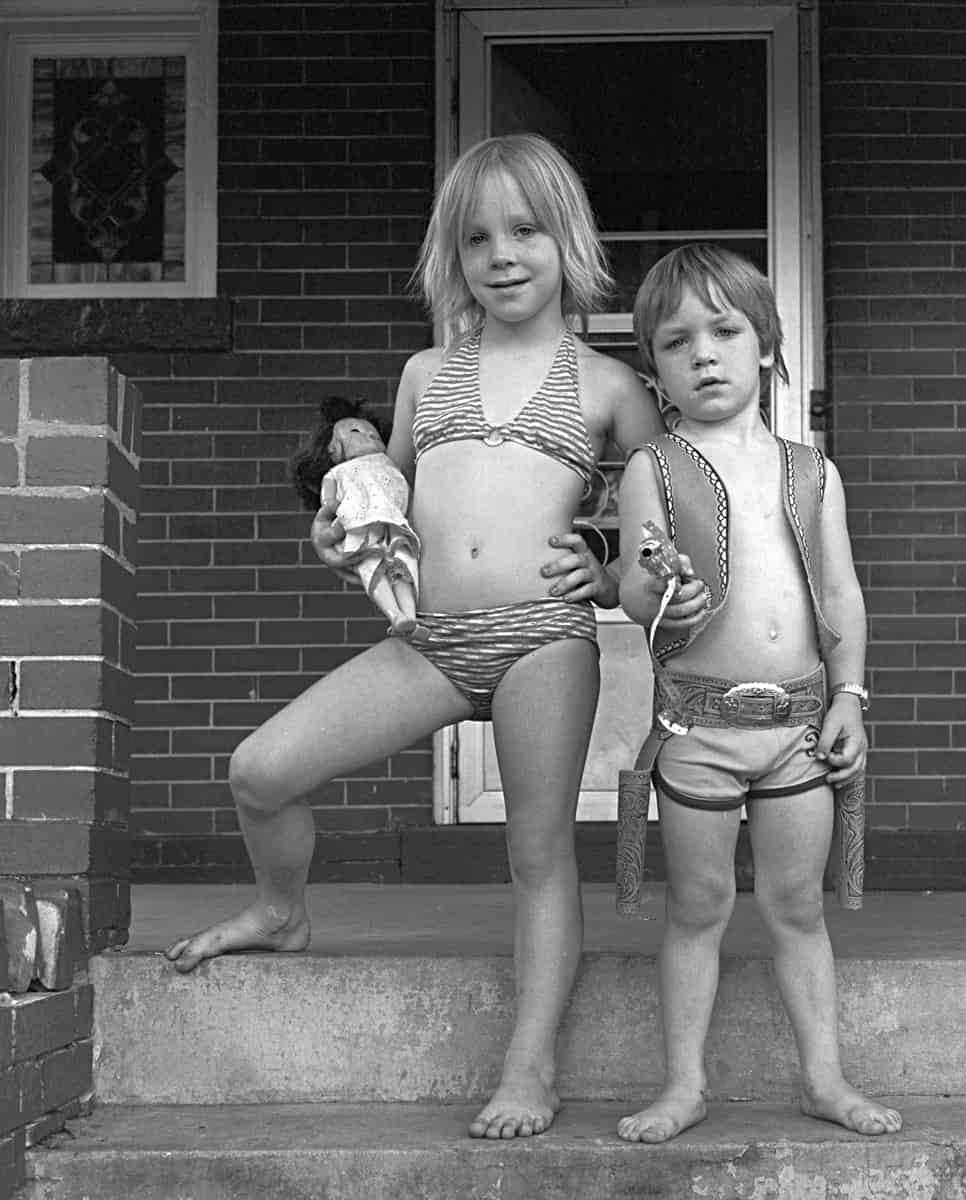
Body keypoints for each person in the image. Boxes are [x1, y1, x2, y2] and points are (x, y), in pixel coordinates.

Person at [163, 133, 665, 1140]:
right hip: (431, 638)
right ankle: (281, 909)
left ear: (567, 240)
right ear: (453, 255)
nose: (503, 254)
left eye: (526, 230)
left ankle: (530, 1069)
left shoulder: (612, 389)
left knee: (536, 853)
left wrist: (605, 571)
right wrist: (340, 533)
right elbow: (383, 493)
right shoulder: (425, 372)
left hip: (542, 640)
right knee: (260, 771)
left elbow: (669, 533)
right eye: (477, 237)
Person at [613, 243, 902, 1143]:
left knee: (797, 905)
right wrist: (663, 591)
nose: (703, 352)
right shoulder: (651, 468)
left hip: (798, 728)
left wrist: (851, 695)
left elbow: (843, 592)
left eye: (725, 330)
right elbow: (632, 582)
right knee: (697, 906)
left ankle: (824, 1078)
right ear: (654, 372)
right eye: (676, 341)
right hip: (697, 725)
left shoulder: (812, 470)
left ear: (768, 343)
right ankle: (683, 1084)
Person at [289, 396, 420, 637]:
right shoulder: (339, 473)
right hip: (365, 526)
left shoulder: (388, 468)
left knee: (401, 564)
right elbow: (330, 504)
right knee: (376, 565)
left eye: (374, 434)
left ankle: (408, 615)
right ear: (333, 448)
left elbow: (405, 491)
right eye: (357, 432)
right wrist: (333, 519)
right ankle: (397, 615)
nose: (369, 437)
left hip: (397, 526)